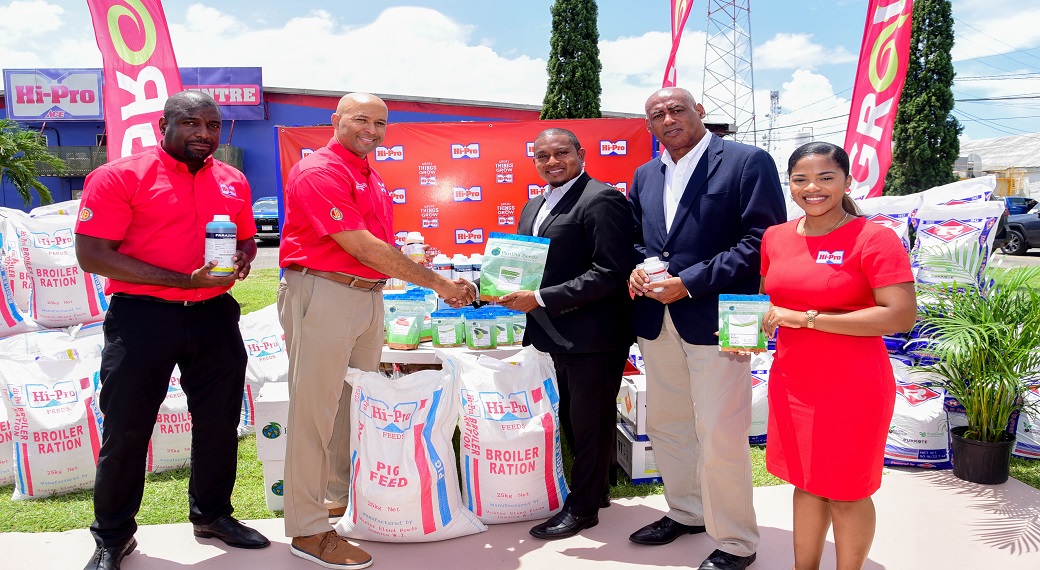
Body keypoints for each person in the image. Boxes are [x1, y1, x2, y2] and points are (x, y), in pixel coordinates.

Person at [277, 92, 474, 569]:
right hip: (324, 294)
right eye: (360, 119)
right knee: (314, 413)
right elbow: (362, 246)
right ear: (336, 120)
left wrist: (411, 266)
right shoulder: (320, 170)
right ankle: (307, 530)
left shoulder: (368, 174)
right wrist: (439, 283)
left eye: (380, 123)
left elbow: (377, 249)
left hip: (365, 297)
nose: (371, 130)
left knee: (351, 408)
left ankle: (338, 504)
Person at [75, 91, 269, 570]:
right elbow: (93, 254)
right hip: (142, 318)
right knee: (127, 427)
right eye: (191, 123)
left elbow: (245, 237)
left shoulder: (233, 179)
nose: (204, 134)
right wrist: (184, 279)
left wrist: (243, 256)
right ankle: (114, 536)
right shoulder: (120, 175)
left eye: (213, 125)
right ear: (164, 124)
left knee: (221, 423)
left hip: (213, 315)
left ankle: (212, 515)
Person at [627, 87, 785, 570]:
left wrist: (688, 283)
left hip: (716, 318)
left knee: (720, 432)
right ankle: (687, 511)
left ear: (700, 112)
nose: (668, 118)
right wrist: (637, 270)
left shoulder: (745, 161)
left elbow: (763, 240)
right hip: (657, 319)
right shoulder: (644, 174)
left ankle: (737, 540)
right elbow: (637, 239)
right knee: (667, 424)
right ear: (649, 125)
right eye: (657, 114)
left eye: (677, 109)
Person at [759, 142, 916, 569]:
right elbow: (765, 305)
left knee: (847, 492)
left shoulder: (875, 238)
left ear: (847, 181)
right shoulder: (775, 237)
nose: (813, 188)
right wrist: (746, 327)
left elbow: (900, 316)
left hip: (852, 384)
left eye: (826, 178)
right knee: (806, 483)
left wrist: (808, 319)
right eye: (800, 179)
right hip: (793, 380)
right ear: (789, 185)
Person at [498, 128, 636, 540]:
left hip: (593, 334)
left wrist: (539, 297)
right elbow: (527, 263)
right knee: (573, 421)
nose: (552, 161)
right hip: (551, 332)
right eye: (542, 155)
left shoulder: (601, 199)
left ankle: (584, 508)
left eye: (561, 153)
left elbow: (611, 272)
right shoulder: (533, 204)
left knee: (589, 420)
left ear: (582, 153)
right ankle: (596, 489)